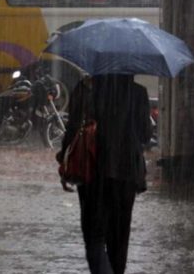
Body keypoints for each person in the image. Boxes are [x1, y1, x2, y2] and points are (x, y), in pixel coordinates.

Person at [59, 74, 152, 274]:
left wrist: (64, 161)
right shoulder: (138, 93)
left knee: (94, 235)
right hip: (126, 172)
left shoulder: (86, 89)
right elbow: (145, 134)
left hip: (93, 170)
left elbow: (73, 129)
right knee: (119, 238)